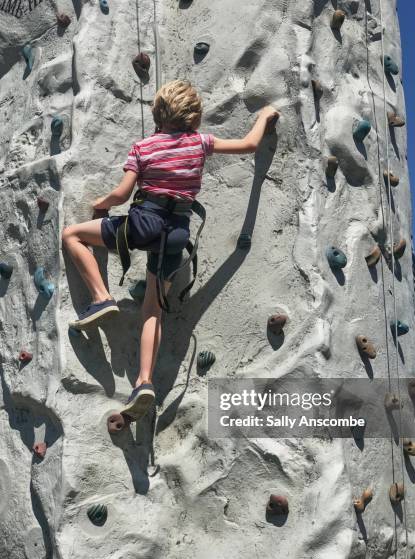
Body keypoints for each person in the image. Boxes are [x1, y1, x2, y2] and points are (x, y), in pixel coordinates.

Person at [62, 79, 279, 417]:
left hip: (142, 224)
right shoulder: (200, 143)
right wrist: (265, 115)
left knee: (72, 235)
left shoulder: (143, 147)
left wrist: (100, 203)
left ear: (158, 112)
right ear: (193, 115)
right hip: (176, 233)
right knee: (153, 310)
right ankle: (144, 382)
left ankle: (101, 298)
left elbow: (121, 195)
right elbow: (250, 145)